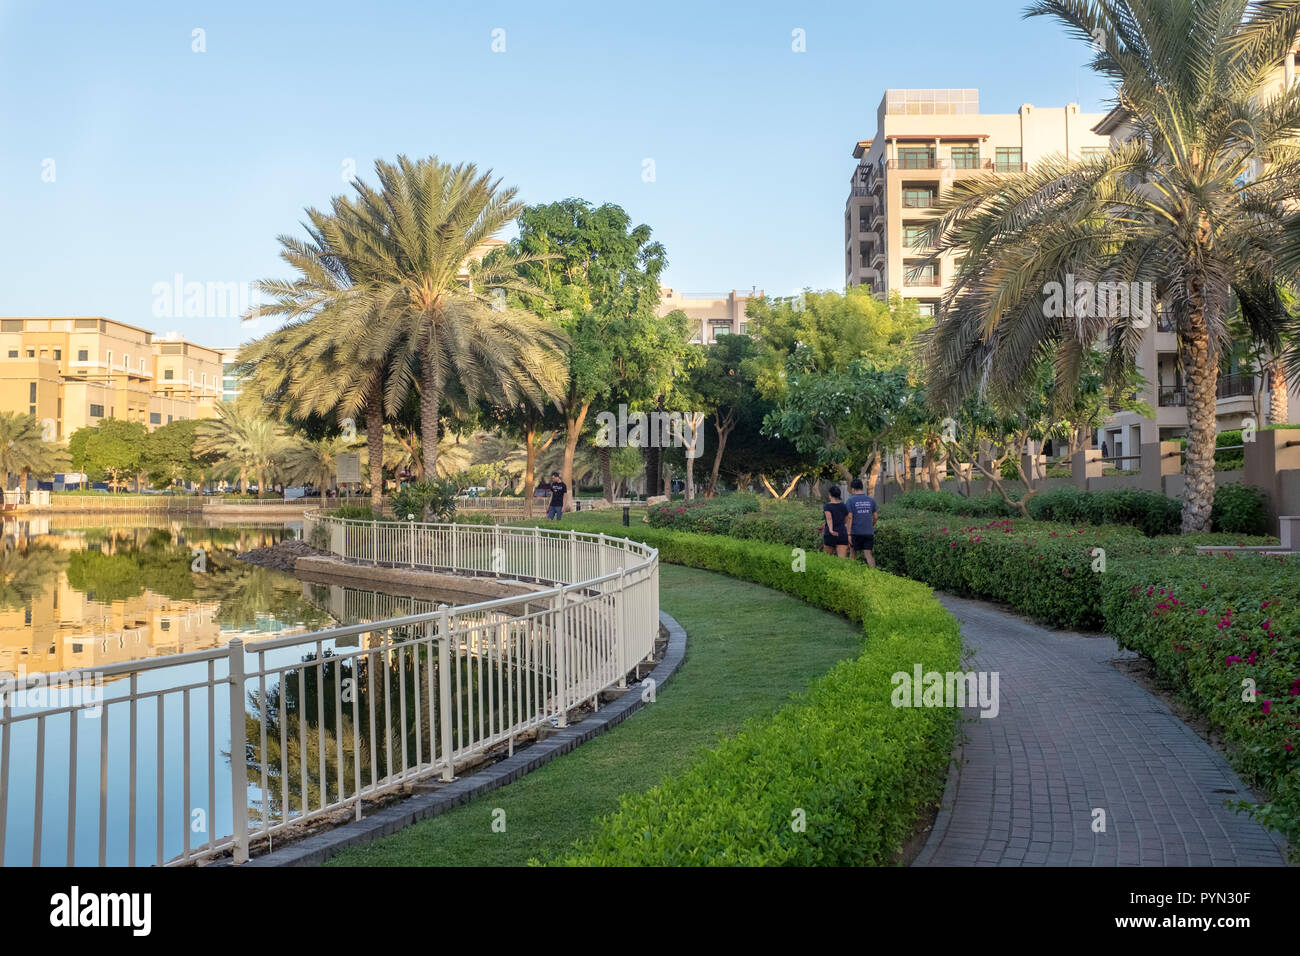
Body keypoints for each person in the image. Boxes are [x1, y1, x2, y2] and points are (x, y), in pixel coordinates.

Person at [845, 477, 877, 567]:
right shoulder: (871, 500)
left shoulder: (850, 501)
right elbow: (875, 517)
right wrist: (871, 526)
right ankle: (874, 574)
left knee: (853, 553)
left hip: (856, 532)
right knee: (868, 554)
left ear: (853, 489)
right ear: (862, 488)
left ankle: (852, 574)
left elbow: (850, 517)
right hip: (868, 532)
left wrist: (848, 534)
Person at [822, 485, 849, 558]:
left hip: (830, 534)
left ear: (830, 495)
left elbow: (829, 518)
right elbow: (847, 519)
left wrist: (831, 530)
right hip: (842, 533)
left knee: (827, 558)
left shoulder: (827, 506)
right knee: (842, 560)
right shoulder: (844, 506)